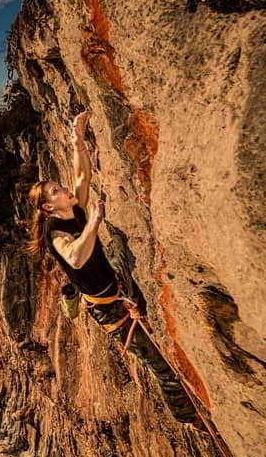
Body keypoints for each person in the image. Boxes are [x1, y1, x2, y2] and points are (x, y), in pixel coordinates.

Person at [21, 110, 205, 430]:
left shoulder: (71, 208)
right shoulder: (56, 232)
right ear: (48, 207)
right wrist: (93, 223)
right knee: (159, 364)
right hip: (108, 309)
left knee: (123, 247)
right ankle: (190, 419)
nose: (63, 188)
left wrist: (76, 139)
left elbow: (82, 177)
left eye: (57, 186)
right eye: (55, 190)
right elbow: (76, 258)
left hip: (114, 282)